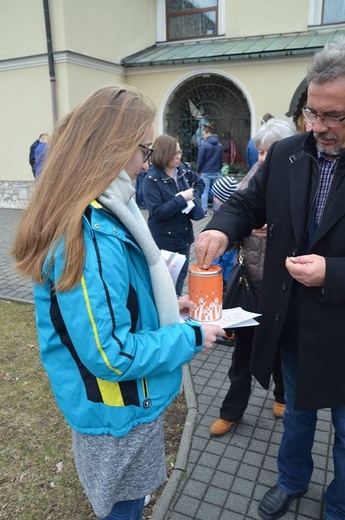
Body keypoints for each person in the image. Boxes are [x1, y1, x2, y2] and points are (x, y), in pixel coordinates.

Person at [12, 85, 225, 520]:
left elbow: (115, 304)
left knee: (126, 505)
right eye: (143, 148)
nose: (146, 162)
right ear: (113, 147)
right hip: (118, 413)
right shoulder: (91, 233)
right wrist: (189, 337)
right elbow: (111, 354)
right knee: (122, 511)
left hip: (121, 408)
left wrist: (168, 308)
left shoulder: (101, 212)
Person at [195, 37, 345, 520]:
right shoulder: (285, 155)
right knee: (297, 412)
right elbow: (244, 203)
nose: (319, 126)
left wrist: (333, 272)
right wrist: (220, 229)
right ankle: (291, 481)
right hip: (296, 322)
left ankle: (339, 504)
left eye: (334, 116)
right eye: (311, 113)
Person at [209, 119, 297, 438]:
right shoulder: (249, 182)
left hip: (283, 289)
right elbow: (234, 221)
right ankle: (231, 412)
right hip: (248, 285)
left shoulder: (299, 185)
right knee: (242, 354)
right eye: (259, 151)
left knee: (280, 350)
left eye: (269, 151)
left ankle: (282, 396)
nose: (262, 158)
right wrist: (229, 232)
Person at [142, 135, 205, 297]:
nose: (179, 156)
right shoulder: (151, 179)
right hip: (165, 240)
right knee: (166, 283)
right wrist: (182, 198)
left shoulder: (182, 169)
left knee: (180, 277)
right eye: (175, 153)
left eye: (179, 152)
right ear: (164, 153)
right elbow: (157, 213)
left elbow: (200, 183)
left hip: (183, 236)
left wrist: (194, 196)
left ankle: (176, 313)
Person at [196, 124, 223, 215]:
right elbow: (221, 159)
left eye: (204, 134)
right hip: (216, 171)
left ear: (208, 133)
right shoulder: (219, 145)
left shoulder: (204, 146)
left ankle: (204, 210)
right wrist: (219, 168)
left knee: (204, 192)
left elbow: (200, 160)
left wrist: (198, 170)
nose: (203, 136)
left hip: (205, 172)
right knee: (217, 192)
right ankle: (216, 210)